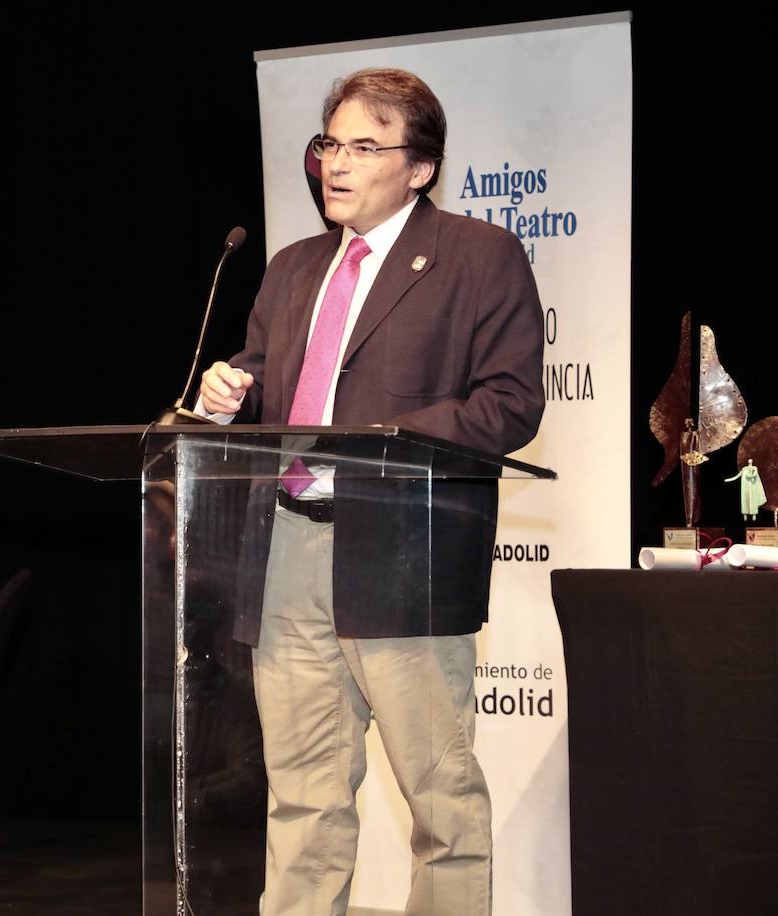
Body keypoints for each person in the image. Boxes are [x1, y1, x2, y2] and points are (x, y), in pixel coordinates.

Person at [198, 68, 544, 916]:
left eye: (365, 147)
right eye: (329, 146)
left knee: (440, 801)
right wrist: (229, 390)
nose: (337, 166)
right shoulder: (290, 268)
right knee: (303, 795)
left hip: (402, 550)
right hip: (287, 549)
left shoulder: (477, 256)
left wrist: (386, 445)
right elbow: (267, 375)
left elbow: (511, 402)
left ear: (419, 167)